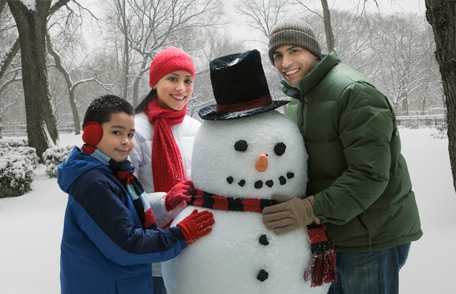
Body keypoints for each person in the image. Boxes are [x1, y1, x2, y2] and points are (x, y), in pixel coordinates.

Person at [262, 21, 422, 294]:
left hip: (369, 238)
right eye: (277, 55)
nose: (285, 62)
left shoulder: (354, 93)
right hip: (332, 234)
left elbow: (369, 175)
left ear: (313, 51)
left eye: (293, 50)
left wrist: (309, 209)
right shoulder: (300, 101)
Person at [58, 95, 214, 294]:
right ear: (92, 133)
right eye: (116, 132)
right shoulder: (93, 183)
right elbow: (126, 246)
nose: (126, 142)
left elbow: (124, 211)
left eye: (130, 134)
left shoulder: (114, 172)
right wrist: (180, 235)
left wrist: (165, 202)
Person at [129, 47, 201, 294]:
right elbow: (123, 198)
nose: (181, 88)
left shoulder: (199, 130)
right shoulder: (133, 131)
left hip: (195, 249)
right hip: (151, 255)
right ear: (155, 82)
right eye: (172, 78)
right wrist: (165, 201)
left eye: (187, 80)